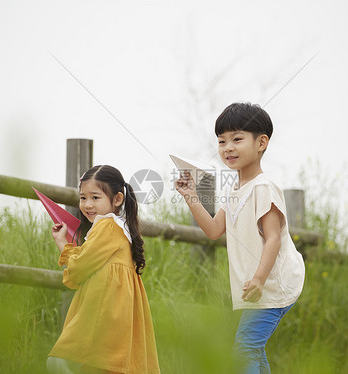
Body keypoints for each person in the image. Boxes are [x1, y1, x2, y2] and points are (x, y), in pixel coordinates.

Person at [175, 102, 305, 373]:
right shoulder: (235, 190)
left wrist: (259, 278)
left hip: (272, 284)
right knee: (252, 348)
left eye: (237, 139)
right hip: (257, 288)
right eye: (221, 141)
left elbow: (273, 239)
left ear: (261, 142)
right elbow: (213, 231)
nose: (228, 147)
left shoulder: (263, 187)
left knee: (244, 348)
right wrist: (191, 197)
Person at [47, 165, 160, 374]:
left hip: (102, 315)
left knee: (58, 362)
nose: (87, 204)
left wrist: (62, 243)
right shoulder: (119, 228)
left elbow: (79, 268)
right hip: (115, 318)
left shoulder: (106, 226)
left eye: (95, 198)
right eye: (83, 198)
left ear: (117, 199)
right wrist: (62, 241)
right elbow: (84, 262)